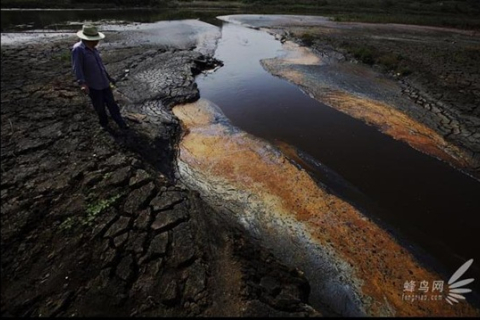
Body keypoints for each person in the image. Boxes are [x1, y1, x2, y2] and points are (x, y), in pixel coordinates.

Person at [71, 24, 128, 130]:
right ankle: (104, 123)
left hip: (104, 82)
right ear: (87, 39)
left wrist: (109, 78)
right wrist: (82, 83)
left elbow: (100, 66)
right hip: (93, 85)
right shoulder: (78, 50)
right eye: (95, 40)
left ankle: (120, 121)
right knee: (99, 106)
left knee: (112, 104)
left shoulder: (94, 48)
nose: (97, 42)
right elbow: (77, 68)